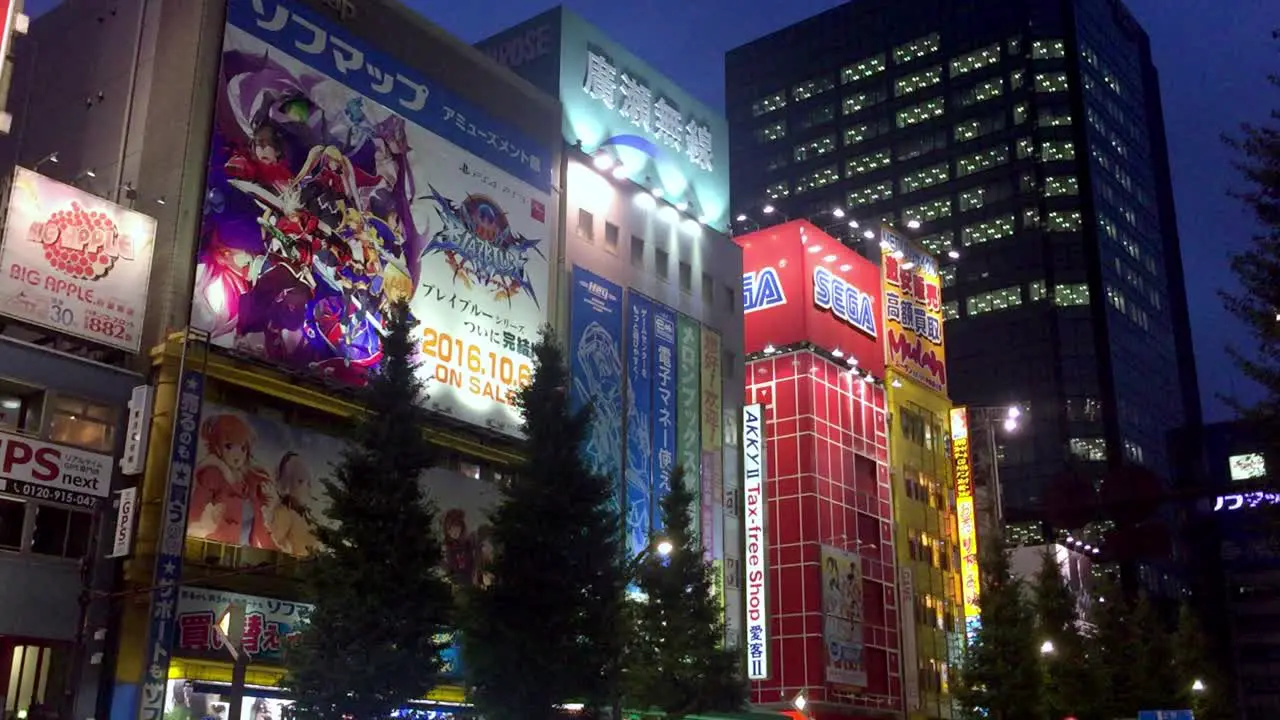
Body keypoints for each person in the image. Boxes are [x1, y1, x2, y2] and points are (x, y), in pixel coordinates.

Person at [188, 414, 275, 549]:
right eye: (229, 446)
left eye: (243, 448)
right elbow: (195, 513)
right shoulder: (212, 475)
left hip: (246, 556)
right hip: (213, 551)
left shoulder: (250, 483)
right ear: (217, 447)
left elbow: (261, 527)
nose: (237, 454)